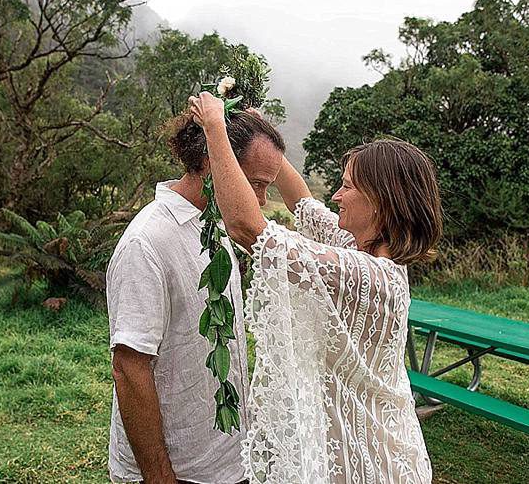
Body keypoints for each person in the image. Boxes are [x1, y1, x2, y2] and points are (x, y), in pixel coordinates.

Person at [189, 91, 442, 484]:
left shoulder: (369, 276)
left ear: (382, 202)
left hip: (373, 463)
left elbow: (247, 227)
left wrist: (215, 127)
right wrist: (263, 138)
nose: (337, 196)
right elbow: (300, 201)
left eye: (348, 187)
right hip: (369, 450)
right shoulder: (358, 251)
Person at [106, 111, 285, 484]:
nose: (263, 201)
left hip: (225, 460)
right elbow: (130, 368)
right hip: (178, 470)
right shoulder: (147, 243)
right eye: (255, 183)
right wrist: (159, 477)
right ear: (211, 160)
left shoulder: (217, 229)